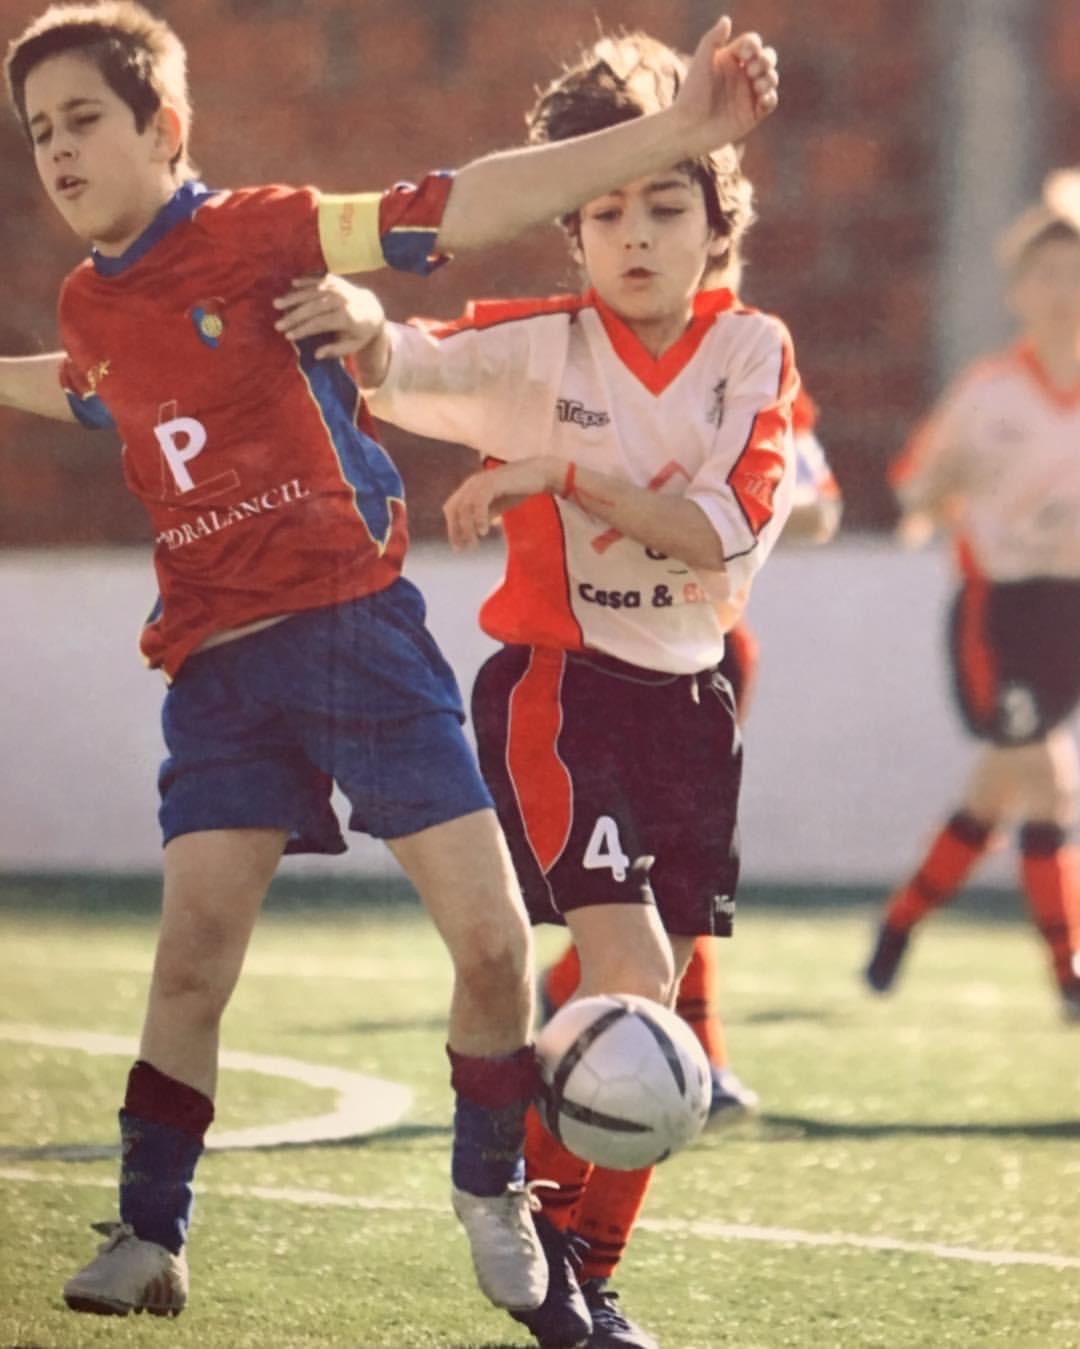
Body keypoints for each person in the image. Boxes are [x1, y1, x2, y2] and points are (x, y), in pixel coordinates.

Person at [0, 0, 780, 1322]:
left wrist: (686, 125)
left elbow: (460, 204)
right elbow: (90, 387)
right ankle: (149, 1232)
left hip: (358, 637)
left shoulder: (256, 233)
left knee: (489, 951)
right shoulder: (91, 298)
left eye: (85, 121)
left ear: (164, 129)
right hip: (218, 669)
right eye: (38, 133)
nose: (59, 152)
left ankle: (492, 1198)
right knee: (190, 957)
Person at [275, 30, 796, 1349]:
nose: (632, 233)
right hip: (560, 697)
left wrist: (562, 480)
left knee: (651, 1009)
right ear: (571, 233)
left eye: (664, 203)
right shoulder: (540, 347)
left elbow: (716, 532)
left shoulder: (752, 358)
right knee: (630, 988)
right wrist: (359, 323)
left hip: (691, 706)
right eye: (604, 209)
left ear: (717, 219)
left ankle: (560, 1238)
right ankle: (555, 1271)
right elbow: (413, 356)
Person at [536, 385, 842, 1129]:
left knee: (682, 856)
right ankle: (688, 1048)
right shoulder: (579, 367)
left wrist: (722, 515)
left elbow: (820, 510)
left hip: (708, 647)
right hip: (595, 647)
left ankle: (583, 993)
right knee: (638, 860)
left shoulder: (756, 379)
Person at [863, 172, 1080, 1022]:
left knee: (997, 793)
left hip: (1073, 612)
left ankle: (900, 921)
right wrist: (929, 504)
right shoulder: (988, 393)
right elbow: (919, 485)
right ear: (1019, 289)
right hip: (1002, 611)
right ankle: (1069, 971)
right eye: (1048, 275)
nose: (1063, 291)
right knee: (1049, 782)